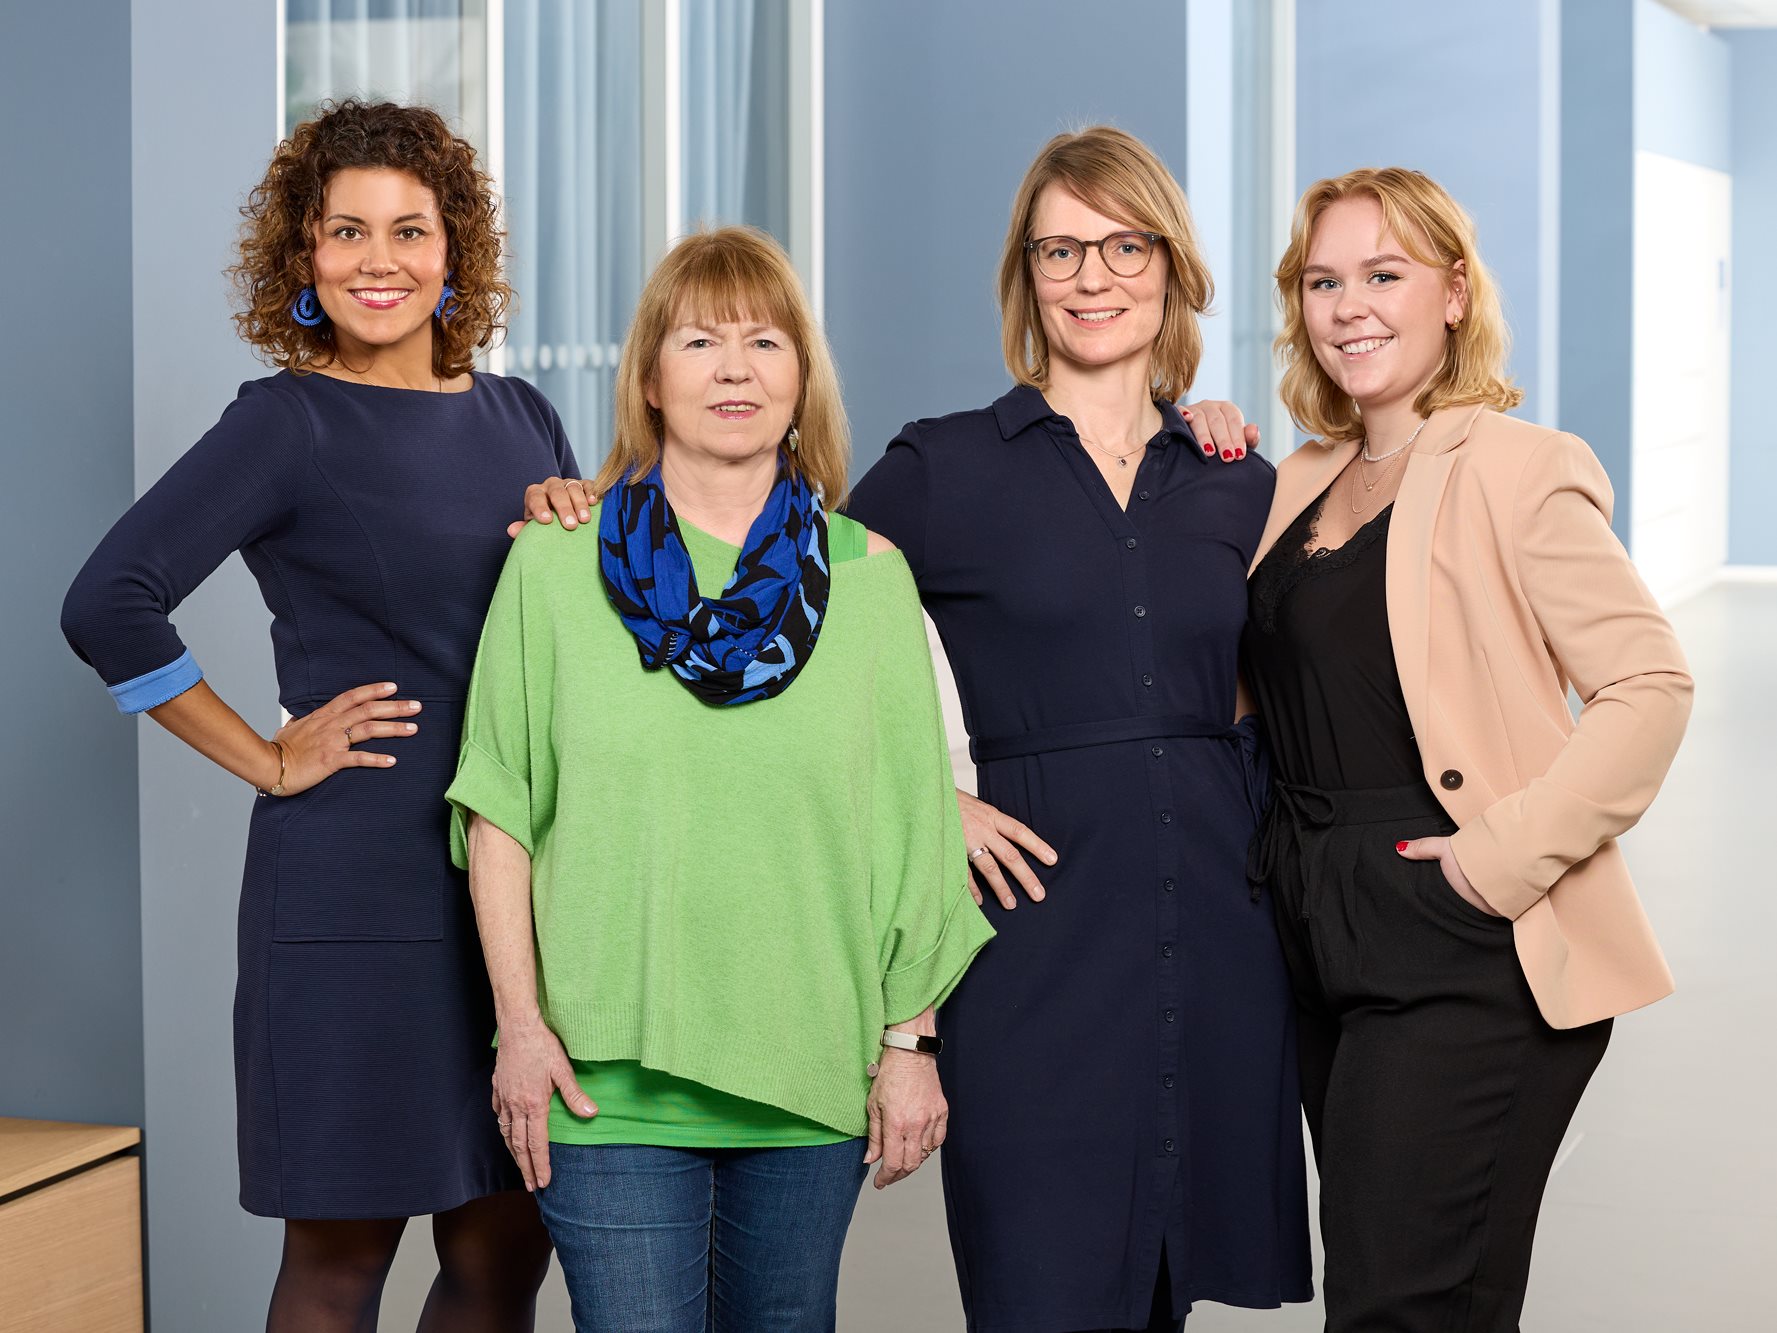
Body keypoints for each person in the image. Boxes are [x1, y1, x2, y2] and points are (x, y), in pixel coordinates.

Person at [60, 100, 574, 1330]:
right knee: (343, 1260)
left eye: (410, 230)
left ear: (456, 254)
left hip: (516, 889)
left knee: (507, 1255)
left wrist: (589, 527)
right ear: (304, 256)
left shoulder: (522, 418)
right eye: (346, 232)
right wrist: (267, 759)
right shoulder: (286, 422)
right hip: (356, 894)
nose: (379, 261)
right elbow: (107, 601)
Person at [446, 224, 993, 1333]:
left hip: (809, 1071)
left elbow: (914, 837)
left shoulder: (871, 580)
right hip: (603, 1080)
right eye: (699, 341)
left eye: (764, 341)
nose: (734, 368)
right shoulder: (551, 564)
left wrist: (910, 1047)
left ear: (801, 380)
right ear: (649, 378)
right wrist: (518, 1027)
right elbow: (499, 806)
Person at [842, 126, 1312, 1332]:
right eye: (1061, 249)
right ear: (1026, 274)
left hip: (1213, 927)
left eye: (1122, 245)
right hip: (1030, 946)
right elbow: (796, 625)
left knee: (1166, 1289)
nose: (1092, 276)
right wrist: (926, 796)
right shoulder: (940, 467)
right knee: (1038, 1287)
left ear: (1170, 266)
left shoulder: (1235, 476)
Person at [1242, 166, 1692, 1331]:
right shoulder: (1295, 481)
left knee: (1398, 1303)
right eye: (1324, 281)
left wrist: (1495, 863)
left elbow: (1647, 683)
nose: (1349, 307)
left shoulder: (1518, 468)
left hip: (1456, 935)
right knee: (1409, 1288)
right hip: (1311, 921)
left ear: (1451, 290)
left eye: (1382, 275)